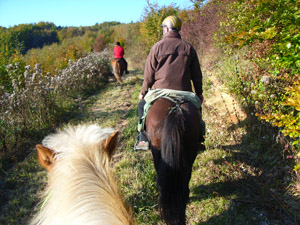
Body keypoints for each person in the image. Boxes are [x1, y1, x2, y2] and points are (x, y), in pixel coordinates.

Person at [135, 15, 204, 151]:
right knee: (197, 110)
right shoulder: (189, 48)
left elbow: (149, 75)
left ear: (166, 29)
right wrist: (199, 93)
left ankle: (142, 138)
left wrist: (143, 92)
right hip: (185, 93)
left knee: (142, 107)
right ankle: (199, 138)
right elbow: (197, 76)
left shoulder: (157, 47)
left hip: (160, 91)